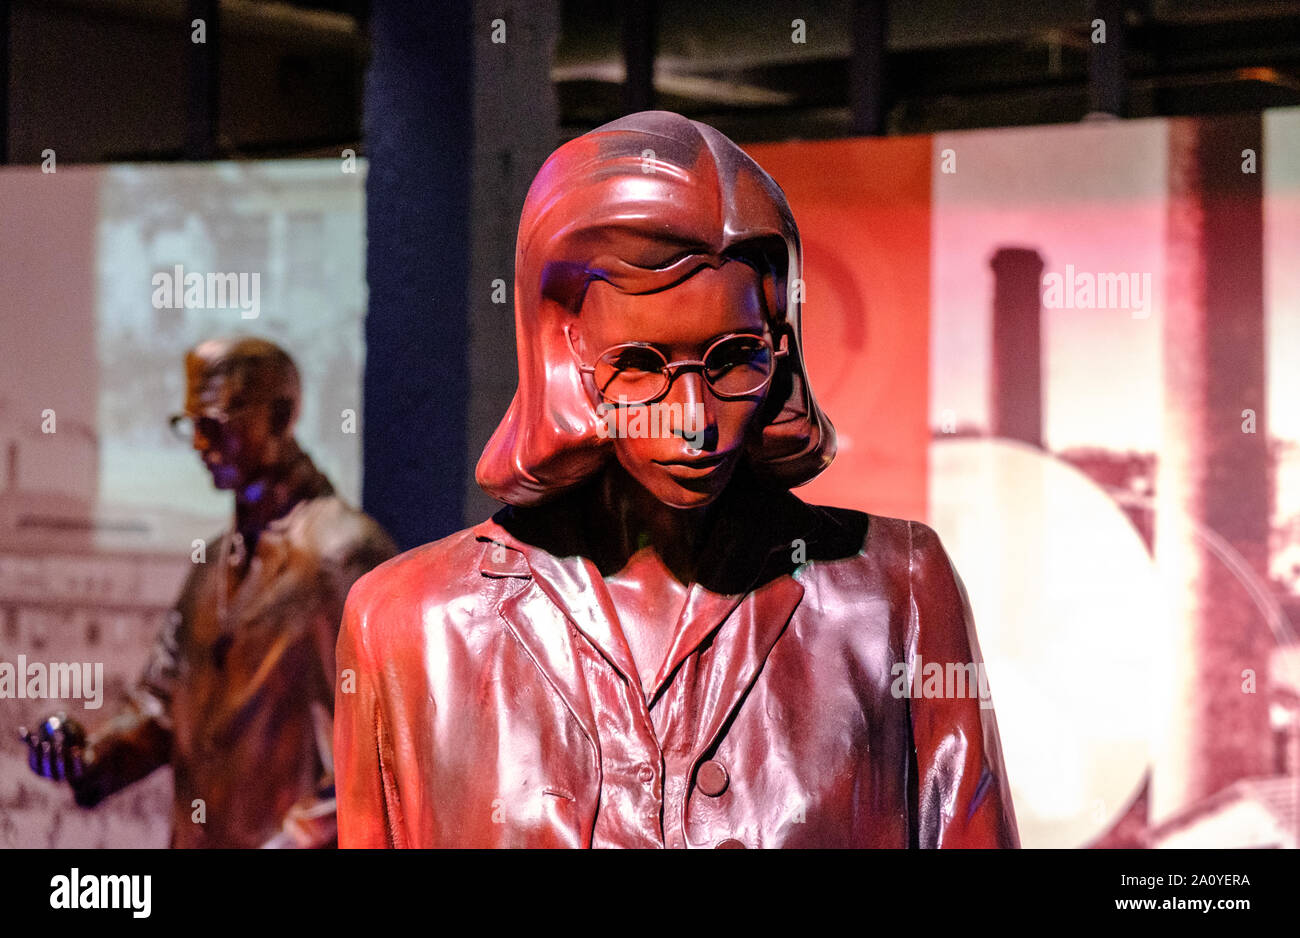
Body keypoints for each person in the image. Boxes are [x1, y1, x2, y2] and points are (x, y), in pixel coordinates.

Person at [336, 111, 1019, 848]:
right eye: (641, 366)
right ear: (563, 349)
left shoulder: (896, 590)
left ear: (781, 344)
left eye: (733, 357)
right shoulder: (407, 625)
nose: (694, 422)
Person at [21, 336, 397, 848]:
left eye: (216, 423)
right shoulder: (213, 562)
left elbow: (380, 749)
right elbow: (160, 705)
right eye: (190, 426)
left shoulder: (342, 554)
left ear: (281, 416)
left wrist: (297, 842)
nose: (200, 444)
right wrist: (85, 757)